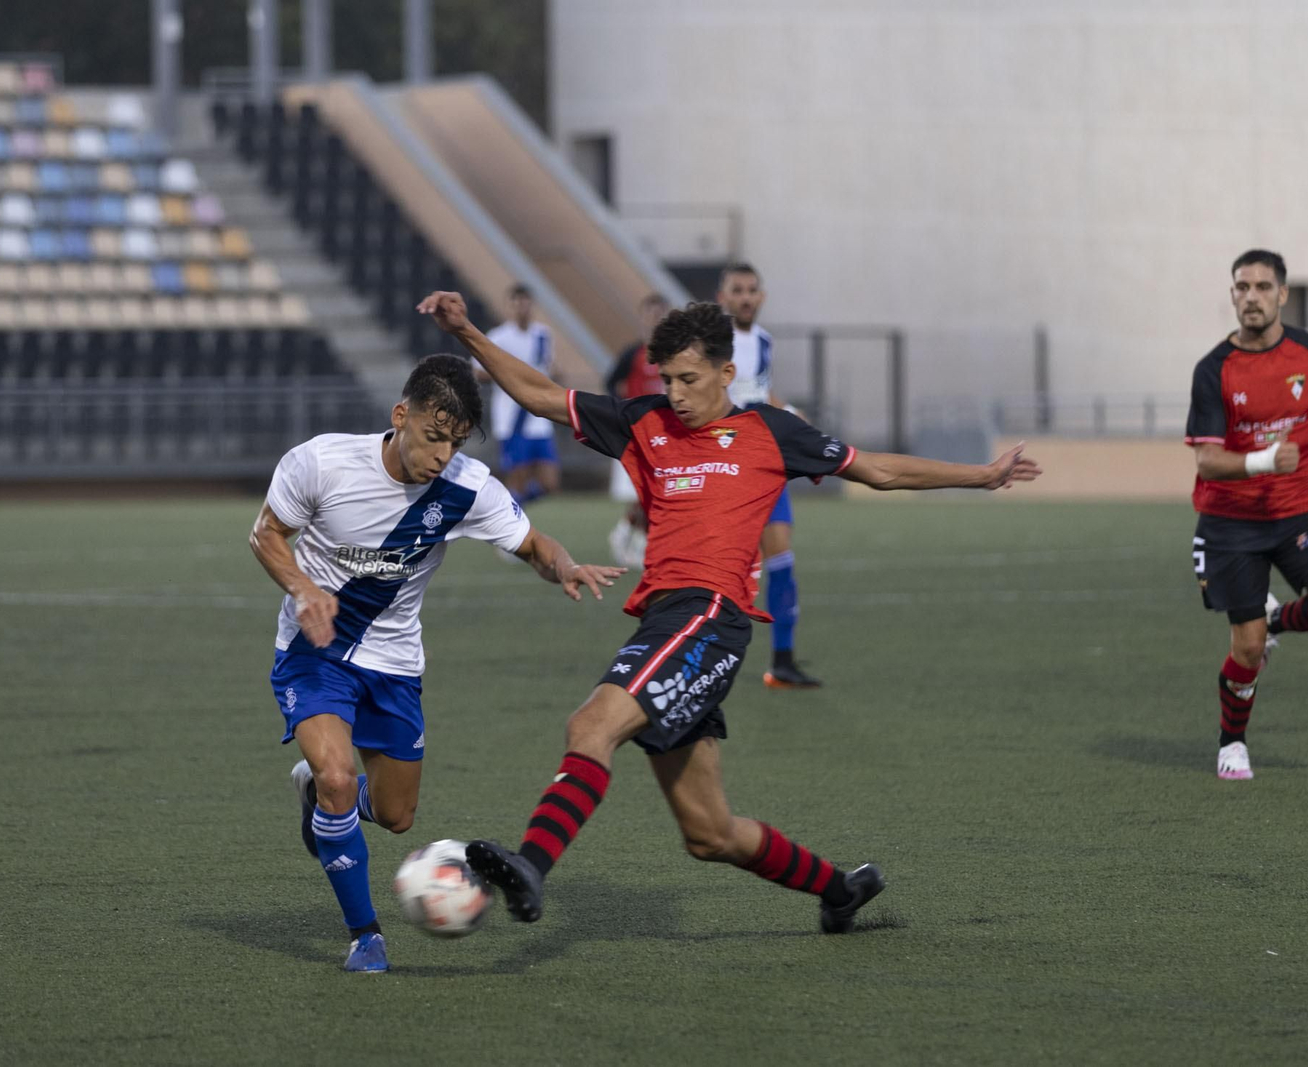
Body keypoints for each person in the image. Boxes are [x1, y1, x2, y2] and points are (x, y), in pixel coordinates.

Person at [416, 290, 1040, 934]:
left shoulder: (772, 432)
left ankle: (531, 865)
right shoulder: (644, 420)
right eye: (668, 380)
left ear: (725, 373)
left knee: (591, 726)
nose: (677, 393)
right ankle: (840, 889)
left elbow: (877, 470)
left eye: (689, 379)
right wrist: (466, 332)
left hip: (708, 619)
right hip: (672, 623)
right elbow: (543, 396)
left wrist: (982, 476)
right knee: (710, 834)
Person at [248, 354, 623, 972]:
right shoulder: (322, 462)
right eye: (432, 436)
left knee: (396, 817)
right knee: (342, 778)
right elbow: (266, 534)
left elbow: (533, 545)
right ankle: (364, 934)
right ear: (401, 416)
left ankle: (316, 792)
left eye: (454, 443)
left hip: (395, 663)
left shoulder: (468, 488)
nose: (441, 455)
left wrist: (565, 567)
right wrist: (304, 590)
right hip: (316, 651)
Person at [1184, 249, 1308, 782]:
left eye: (1263, 287)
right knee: (1248, 645)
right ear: (1233, 295)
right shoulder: (1214, 369)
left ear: (1282, 294)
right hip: (1229, 524)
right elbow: (1207, 462)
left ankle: (1276, 617)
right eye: (1242, 287)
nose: (1252, 297)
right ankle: (1232, 742)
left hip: (1294, 513)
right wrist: (1264, 459)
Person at [718, 263, 816, 689]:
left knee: (781, 559)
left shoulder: (763, 341)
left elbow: (759, 391)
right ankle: (700, 655)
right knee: (719, 568)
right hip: (725, 466)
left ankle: (782, 660)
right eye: (737, 290)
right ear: (723, 296)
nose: (745, 297)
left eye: (752, 290)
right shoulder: (711, 343)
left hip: (763, 463)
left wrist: (791, 414)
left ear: (762, 297)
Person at [605, 292, 671, 568]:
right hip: (636, 433)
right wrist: (622, 404)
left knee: (655, 491)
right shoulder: (633, 354)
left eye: (660, 312)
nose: (656, 318)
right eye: (651, 313)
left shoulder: (673, 354)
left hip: (665, 434)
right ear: (643, 317)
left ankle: (627, 536)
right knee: (647, 491)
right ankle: (636, 540)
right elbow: (611, 382)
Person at [481, 283, 560, 505]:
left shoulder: (543, 335)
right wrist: (509, 376)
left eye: (525, 303)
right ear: (509, 306)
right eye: (516, 303)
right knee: (518, 479)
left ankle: (508, 508)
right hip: (512, 418)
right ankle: (509, 519)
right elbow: (478, 370)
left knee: (550, 482)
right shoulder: (499, 337)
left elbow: (548, 366)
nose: (521, 308)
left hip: (540, 415)